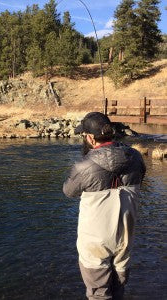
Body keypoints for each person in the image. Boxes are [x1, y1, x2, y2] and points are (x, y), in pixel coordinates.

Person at [63, 112, 146, 300]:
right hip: (125, 237)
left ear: (90, 138)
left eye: (83, 136)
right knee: (119, 290)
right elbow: (141, 177)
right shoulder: (136, 157)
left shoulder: (83, 166)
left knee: (98, 293)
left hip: (95, 241)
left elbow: (69, 191)